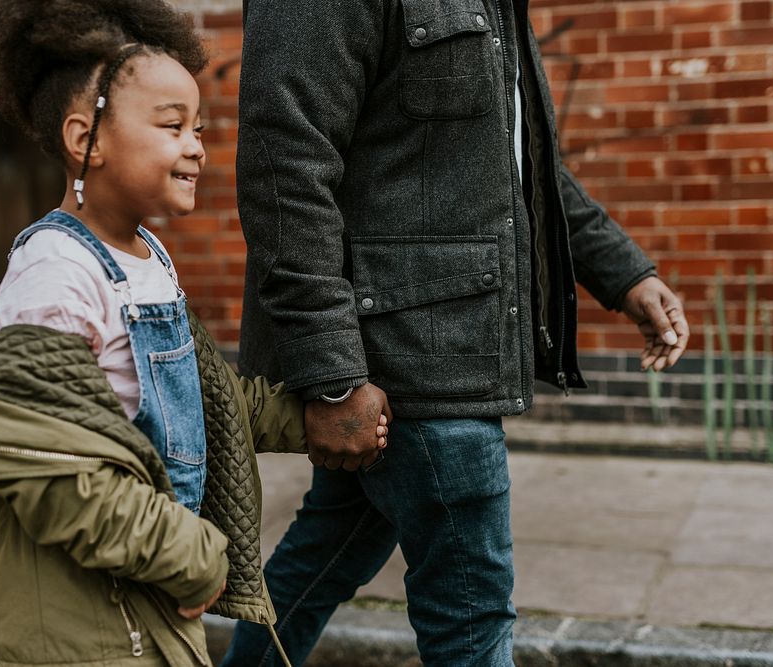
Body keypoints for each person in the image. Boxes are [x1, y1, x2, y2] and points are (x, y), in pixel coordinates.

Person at [0, 1, 385, 665]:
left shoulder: (143, 257)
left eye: (199, 127)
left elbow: (199, 405)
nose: (197, 145)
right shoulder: (56, 271)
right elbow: (46, 472)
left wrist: (315, 413)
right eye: (173, 125)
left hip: (138, 592)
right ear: (86, 137)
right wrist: (194, 554)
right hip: (76, 625)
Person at [222, 0, 689, 665]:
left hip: (447, 350)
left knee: (322, 559)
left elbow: (520, 168)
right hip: (402, 363)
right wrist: (332, 378)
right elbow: (284, 165)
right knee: (473, 622)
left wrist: (622, 272)